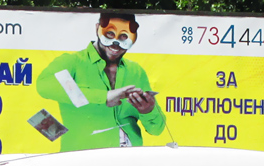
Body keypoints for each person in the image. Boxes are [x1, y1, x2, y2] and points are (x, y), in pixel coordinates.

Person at [36, 11, 166, 150]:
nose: (116, 43)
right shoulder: (72, 62)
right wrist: (104, 97)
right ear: (97, 28)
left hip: (129, 161)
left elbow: (156, 130)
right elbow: (44, 85)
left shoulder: (136, 71)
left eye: (123, 36)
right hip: (83, 160)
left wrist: (148, 111)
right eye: (110, 33)